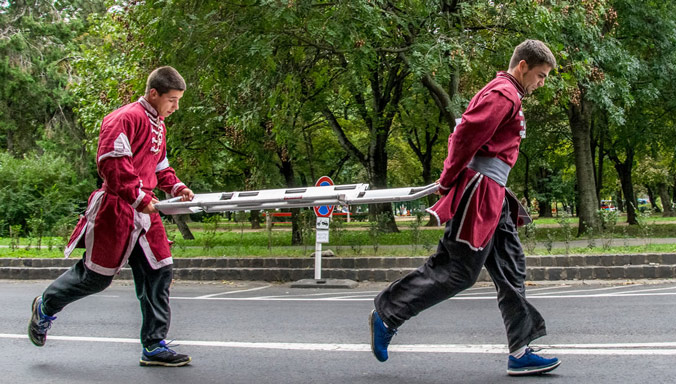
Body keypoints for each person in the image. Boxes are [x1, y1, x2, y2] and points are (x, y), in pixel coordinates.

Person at [369, 40, 561, 376]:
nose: (541, 83)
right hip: (480, 194)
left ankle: (520, 349)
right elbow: (464, 136)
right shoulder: (504, 93)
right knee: (458, 270)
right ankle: (388, 313)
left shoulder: (508, 94)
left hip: (495, 195)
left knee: (511, 268)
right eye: (540, 76)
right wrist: (447, 180)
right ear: (523, 66)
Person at [28, 66, 194, 367]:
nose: (176, 107)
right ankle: (45, 306)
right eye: (172, 99)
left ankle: (154, 346)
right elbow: (112, 164)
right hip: (116, 209)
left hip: (146, 211)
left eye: (178, 100)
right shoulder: (123, 119)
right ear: (154, 93)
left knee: (160, 272)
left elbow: (159, 167)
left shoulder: (159, 124)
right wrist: (138, 197)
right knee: (95, 279)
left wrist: (177, 187)